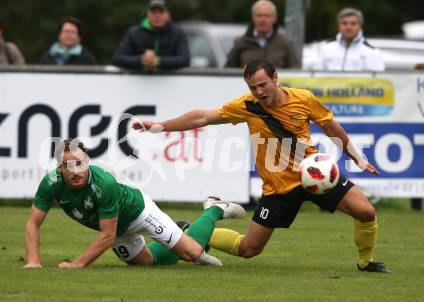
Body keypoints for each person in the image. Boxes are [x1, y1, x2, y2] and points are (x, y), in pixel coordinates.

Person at [133, 58, 391, 273]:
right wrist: (160, 126)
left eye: (262, 85)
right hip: (278, 190)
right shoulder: (247, 106)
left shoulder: (304, 99)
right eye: (253, 87)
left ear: (275, 77)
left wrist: (355, 155)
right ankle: (194, 232)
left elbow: (330, 126)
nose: (259, 92)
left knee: (366, 212)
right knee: (248, 250)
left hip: (313, 174)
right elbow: (203, 117)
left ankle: (366, 262)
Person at [24, 138, 245, 268]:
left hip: (139, 212)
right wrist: (33, 262)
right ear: (58, 167)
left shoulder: (104, 183)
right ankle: (180, 230)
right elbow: (34, 223)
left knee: (193, 254)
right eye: (67, 165)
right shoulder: (50, 183)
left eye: (80, 164)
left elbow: (107, 235)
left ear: (87, 161)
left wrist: (77, 264)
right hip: (117, 228)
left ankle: (214, 208)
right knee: (148, 263)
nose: (75, 171)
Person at [112, 0, 189, 71]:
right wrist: (141, 60)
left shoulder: (178, 33)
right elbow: (117, 58)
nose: (157, 16)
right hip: (139, 83)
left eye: (161, 12)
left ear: (168, 15)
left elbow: (185, 60)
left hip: (171, 84)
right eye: (153, 12)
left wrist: (158, 61)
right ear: (147, 14)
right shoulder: (134, 32)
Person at [225, 0, 300, 69]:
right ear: (253, 17)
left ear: (274, 18)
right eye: (259, 15)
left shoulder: (286, 44)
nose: (263, 19)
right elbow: (227, 71)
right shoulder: (240, 43)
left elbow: (295, 72)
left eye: (267, 15)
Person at [313, 7, 385, 71]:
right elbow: (316, 76)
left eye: (353, 23)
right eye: (344, 23)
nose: (348, 27)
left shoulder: (372, 52)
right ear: (339, 25)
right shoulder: (326, 49)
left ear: (360, 26)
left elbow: (378, 81)